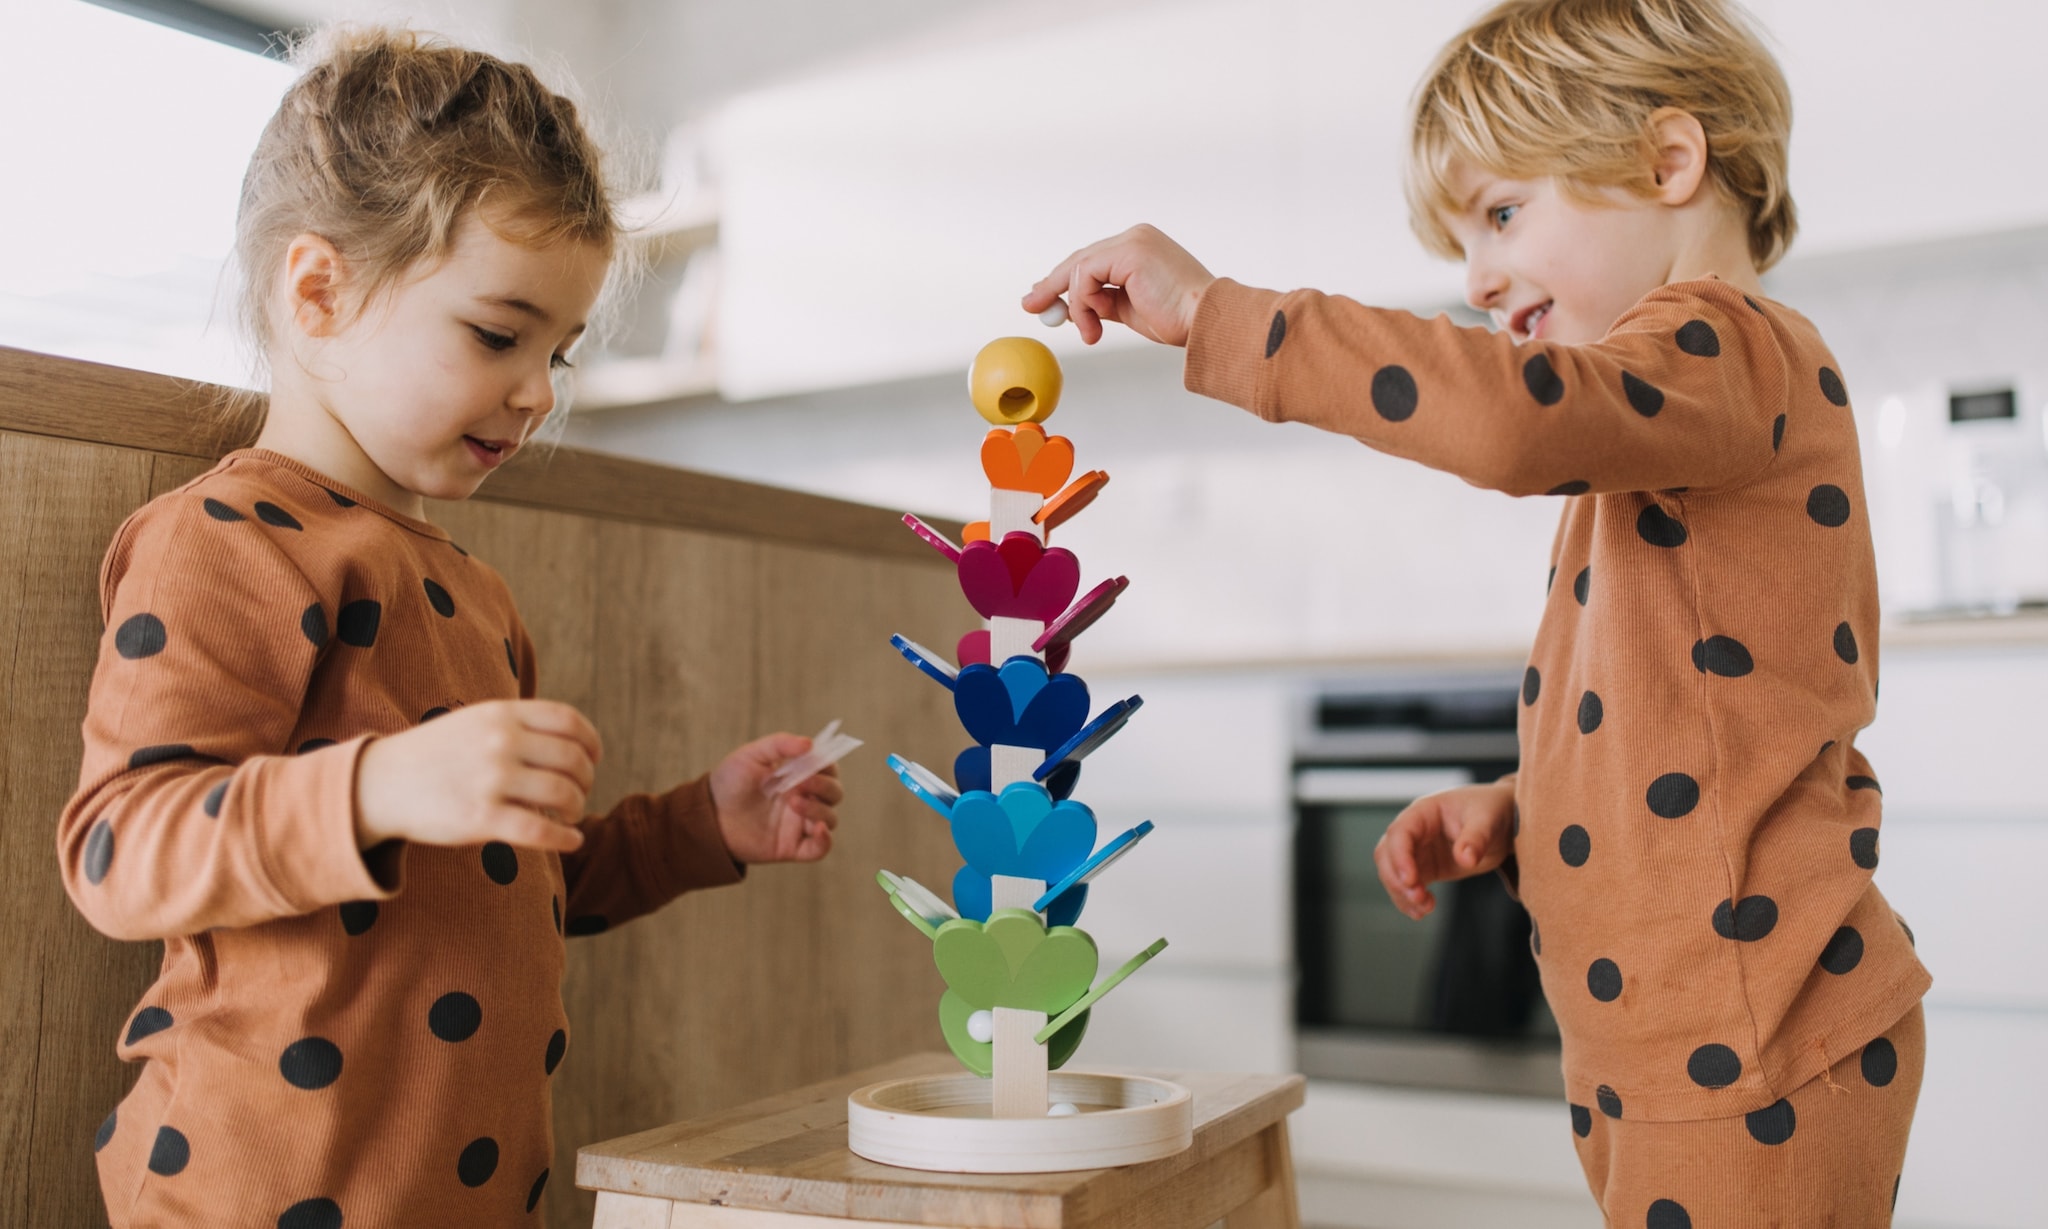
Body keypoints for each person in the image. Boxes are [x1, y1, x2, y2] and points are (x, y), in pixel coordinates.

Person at [1023, 0, 1928, 1220]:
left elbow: (1511, 418)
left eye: (1501, 212)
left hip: (1758, 1037)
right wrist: (1524, 806)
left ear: (1668, 164)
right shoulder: (1673, 411)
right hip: (1673, 1042)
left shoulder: (1728, 344)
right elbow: (1697, 722)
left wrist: (1218, 317)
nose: (1474, 276)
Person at [56, 27, 842, 1227]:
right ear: (318, 292)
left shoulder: (475, 592)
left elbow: (507, 880)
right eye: (495, 333)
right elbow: (119, 848)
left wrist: (695, 826)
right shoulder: (223, 539)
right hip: (244, 1195)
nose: (535, 390)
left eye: (557, 352)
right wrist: (375, 787)